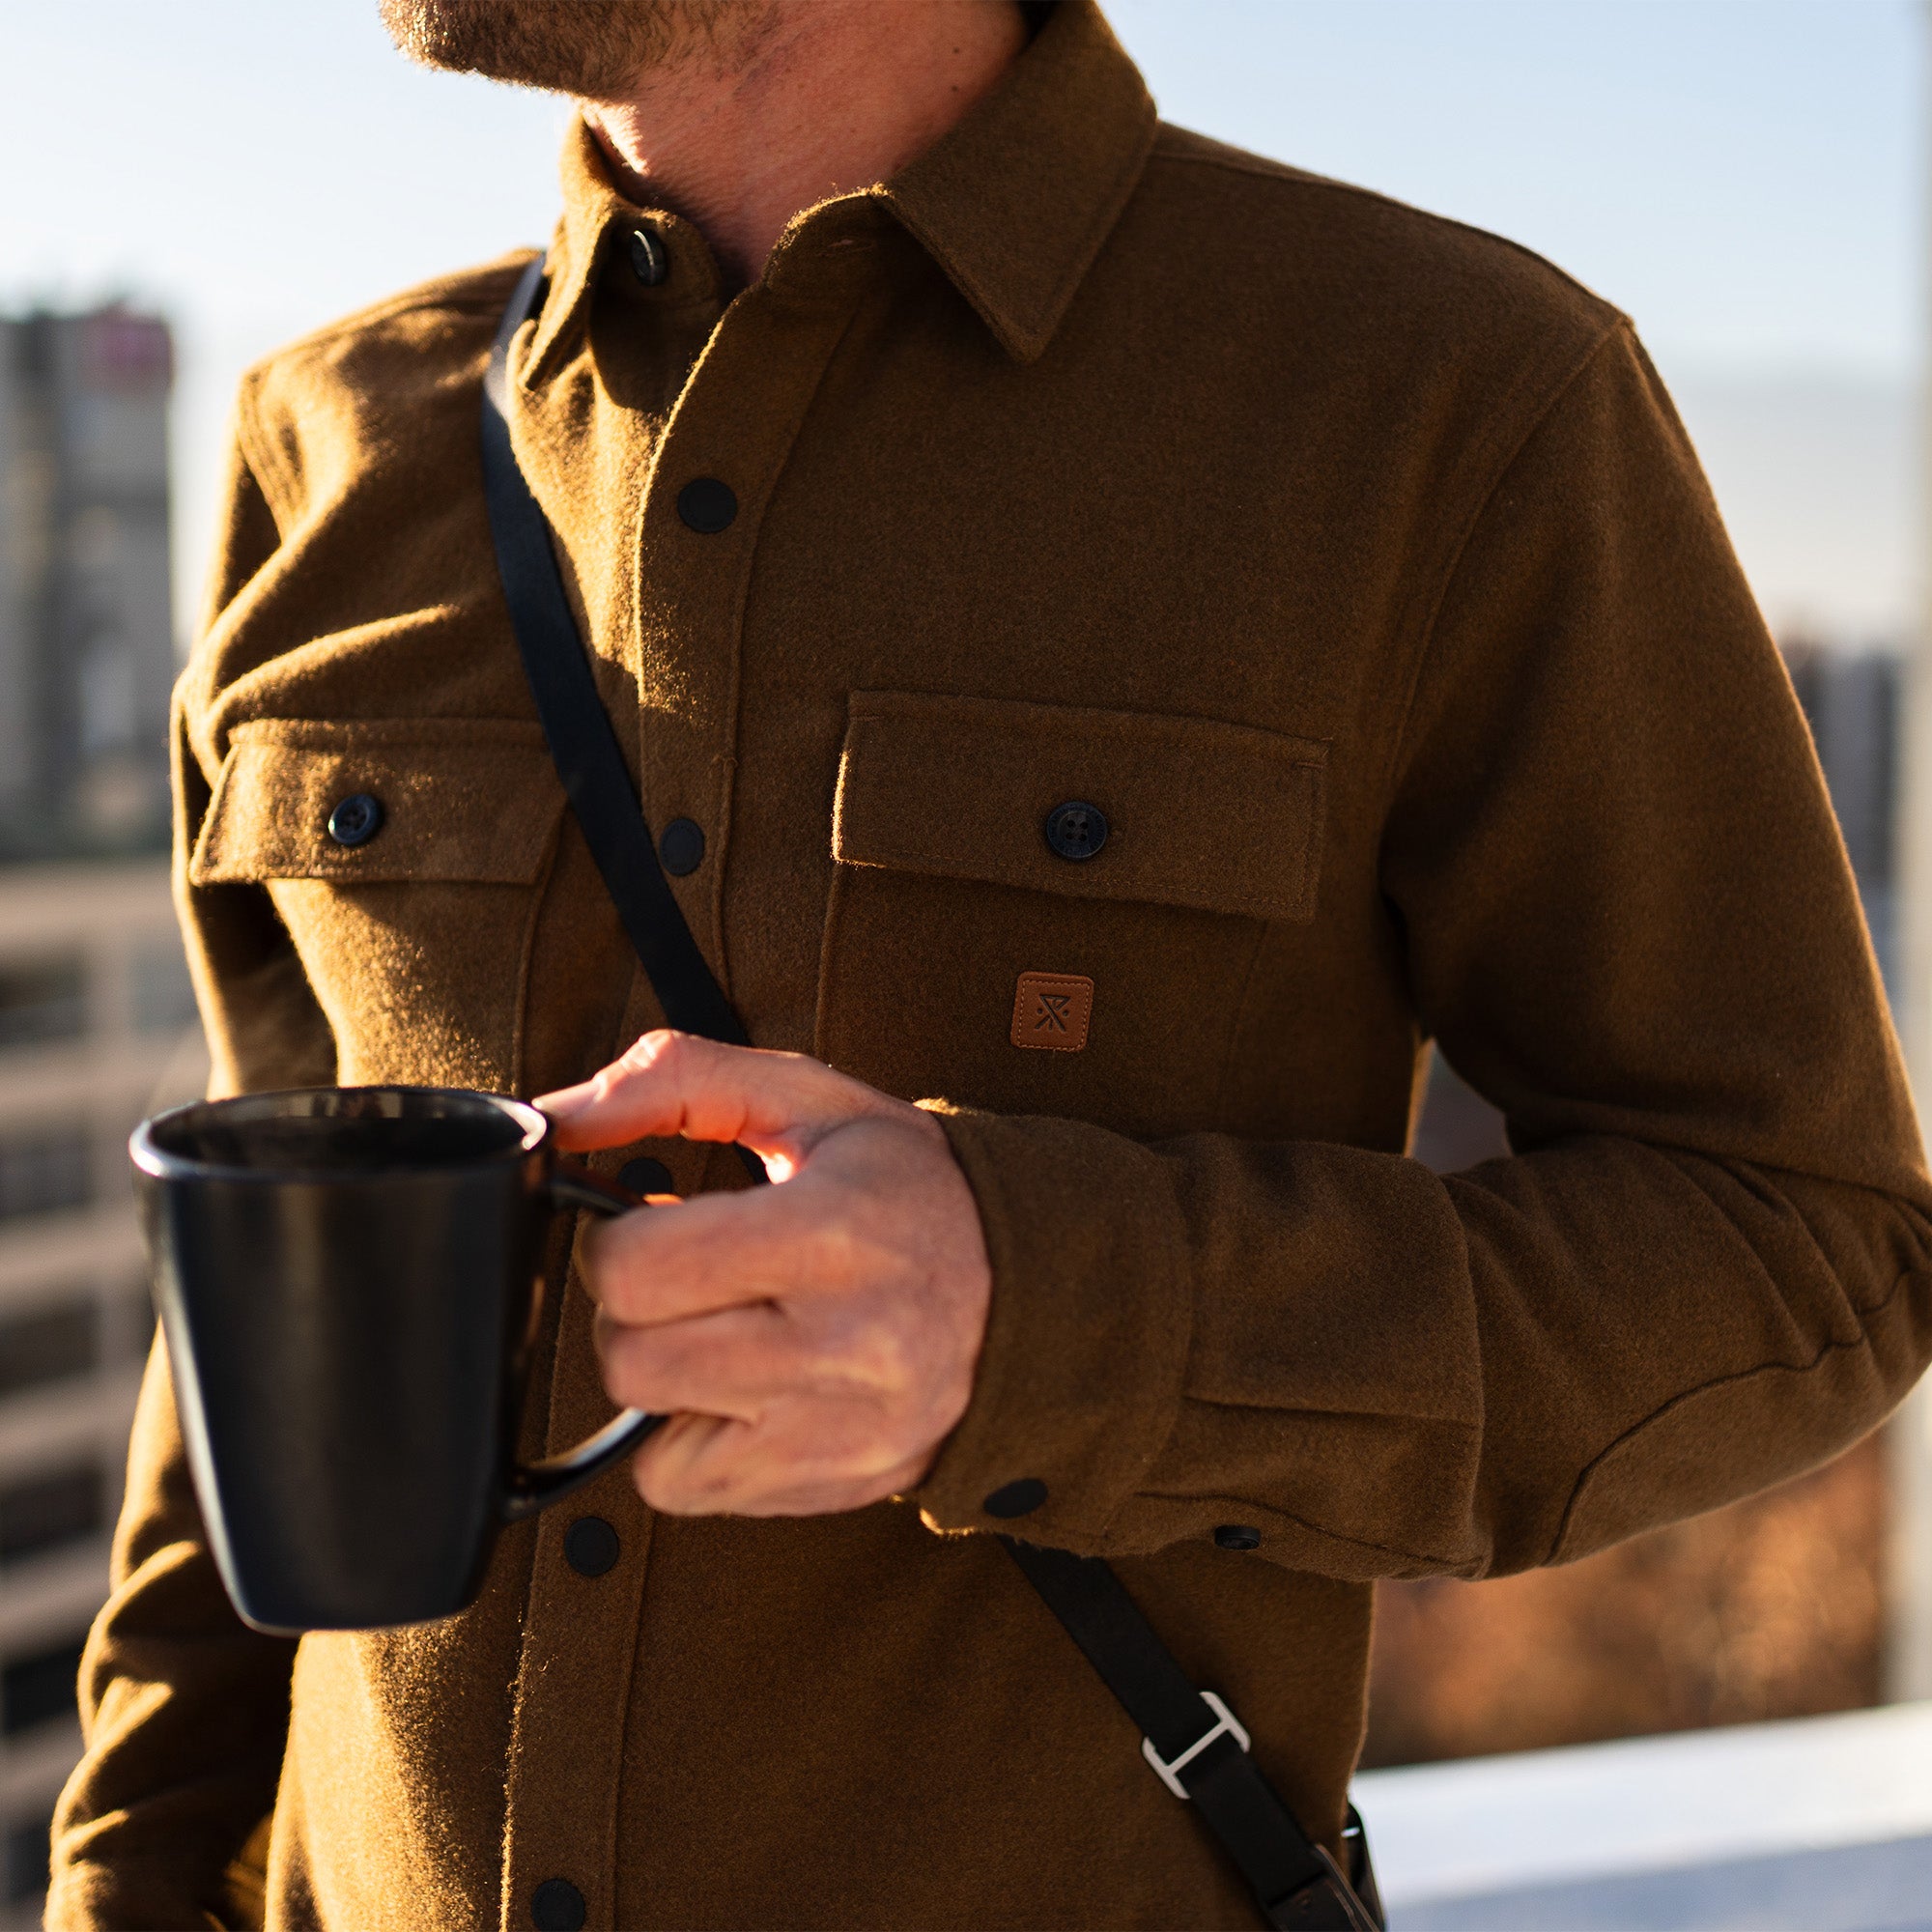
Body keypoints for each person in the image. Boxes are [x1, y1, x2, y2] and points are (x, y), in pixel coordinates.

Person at [47, 1, 1932, 1926]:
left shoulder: (1449, 403)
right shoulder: (323, 440)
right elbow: (250, 1332)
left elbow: (1808, 1252)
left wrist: (1044, 1319)